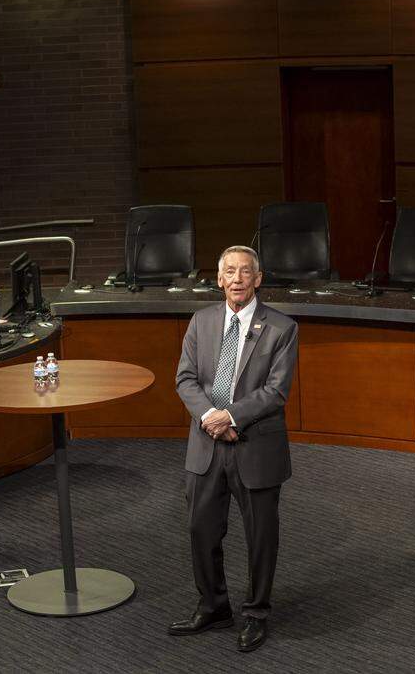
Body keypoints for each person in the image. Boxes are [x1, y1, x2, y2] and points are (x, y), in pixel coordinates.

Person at [170, 245, 298, 653]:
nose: (238, 278)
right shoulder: (201, 320)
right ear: (220, 279)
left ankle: (256, 613)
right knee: (200, 529)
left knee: (261, 536)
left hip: (254, 446)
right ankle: (213, 605)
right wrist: (211, 416)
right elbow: (185, 379)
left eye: (246, 272)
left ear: (258, 279)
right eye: (230, 271)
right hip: (206, 444)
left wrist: (231, 417)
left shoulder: (281, 328)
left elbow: (275, 392)